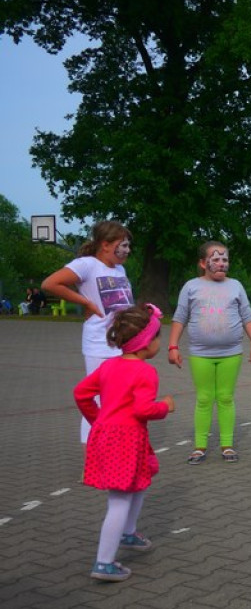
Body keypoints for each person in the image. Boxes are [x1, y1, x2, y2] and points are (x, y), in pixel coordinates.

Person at [73, 304, 174, 581]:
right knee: (118, 500)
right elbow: (143, 410)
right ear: (144, 344)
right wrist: (164, 406)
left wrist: (99, 420)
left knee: (142, 478)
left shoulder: (108, 366)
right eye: (156, 337)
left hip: (110, 436)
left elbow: (81, 393)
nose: (159, 342)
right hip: (125, 440)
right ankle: (104, 562)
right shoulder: (145, 372)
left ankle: (129, 533)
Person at [41, 220, 135, 449]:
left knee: (121, 398)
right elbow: (50, 283)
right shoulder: (86, 265)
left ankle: (114, 447)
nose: (127, 250)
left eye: (128, 245)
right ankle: (92, 456)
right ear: (105, 244)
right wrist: (86, 302)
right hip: (99, 345)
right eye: (122, 245)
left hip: (122, 343)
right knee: (98, 399)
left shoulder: (120, 269)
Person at [168, 241, 251, 464]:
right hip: (200, 353)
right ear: (203, 263)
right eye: (216, 259)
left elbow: (247, 316)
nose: (221, 263)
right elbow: (180, 317)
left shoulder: (236, 286)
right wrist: (173, 346)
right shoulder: (191, 286)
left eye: (225, 259)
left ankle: (227, 445)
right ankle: (200, 447)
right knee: (204, 398)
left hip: (231, 352)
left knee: (226, 397)